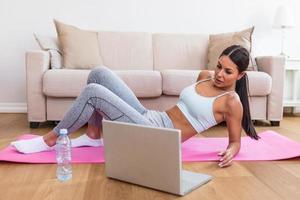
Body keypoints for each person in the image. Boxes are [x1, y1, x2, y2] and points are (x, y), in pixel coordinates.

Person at [11, 44, 259, 168]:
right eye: (218, 66)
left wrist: (231, 152)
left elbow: (235, 141)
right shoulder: (204, 74)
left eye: (228, 72)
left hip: (160, 137)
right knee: (99, 74)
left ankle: (50, 140)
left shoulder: (231, 102)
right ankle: (94, 134)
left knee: (93, 93)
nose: (219, 74)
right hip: (151, 118)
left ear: (239, 76)